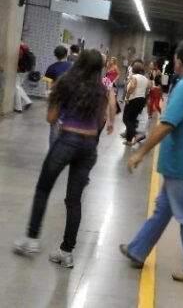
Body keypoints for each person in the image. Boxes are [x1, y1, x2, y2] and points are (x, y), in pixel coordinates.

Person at [120, 40, 183, 282]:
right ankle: (137, 250)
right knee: (162, 211)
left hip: (182, 165)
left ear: (178, 61)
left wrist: (141, 153)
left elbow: (166, 125)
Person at [13, 49, 115, 268]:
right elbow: (100, 121)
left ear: (78, 62)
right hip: (89, 147)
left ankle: (31, 239)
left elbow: (51, 117)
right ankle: (66, 252)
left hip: (67, 140)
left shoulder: (66, 82)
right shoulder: (102, 89)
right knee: (74, 199)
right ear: (99, 68)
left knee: (44, 189)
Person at [44, 46, 73, 145]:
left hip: (56, 100)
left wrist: (49, 101)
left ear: (55, 56)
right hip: (70, 100)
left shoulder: (51, 68)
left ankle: (53, 151)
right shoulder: (72, 67)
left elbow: (49, 88)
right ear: (66, 54)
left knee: (54, 127)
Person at [122, 62, 149, 146]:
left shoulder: (134, 77)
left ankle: (132, 135)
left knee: (126, 119)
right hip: (141, 100)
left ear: (134, 69)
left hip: (133, 99)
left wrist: (127, 96)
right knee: (133, 119)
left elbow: (132, 86)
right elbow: (148, 89)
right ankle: (129, 140)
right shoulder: (145, 78)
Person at [14, 42, 33, 112]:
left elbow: (19, 58)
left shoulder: (20, 47)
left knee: (16, 87)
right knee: (19, 86)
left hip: (21, 70)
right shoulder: (25, 46)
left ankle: (19, 107)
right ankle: (28, 101)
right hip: (26, 70)